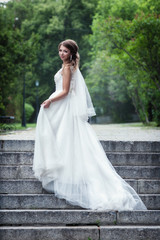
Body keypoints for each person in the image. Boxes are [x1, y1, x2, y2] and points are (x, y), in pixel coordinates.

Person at [33, 39, 147, 211]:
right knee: (62, 138)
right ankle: (62, 172)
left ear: (71, 53)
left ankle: (62, 173)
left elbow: (64, 91)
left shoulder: (67, 68)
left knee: (60, 135)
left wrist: (49, 100)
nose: (61, 54)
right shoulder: (70, 67)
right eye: (60, 50)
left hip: (63, 105)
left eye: (65, 51)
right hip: (65, 107)